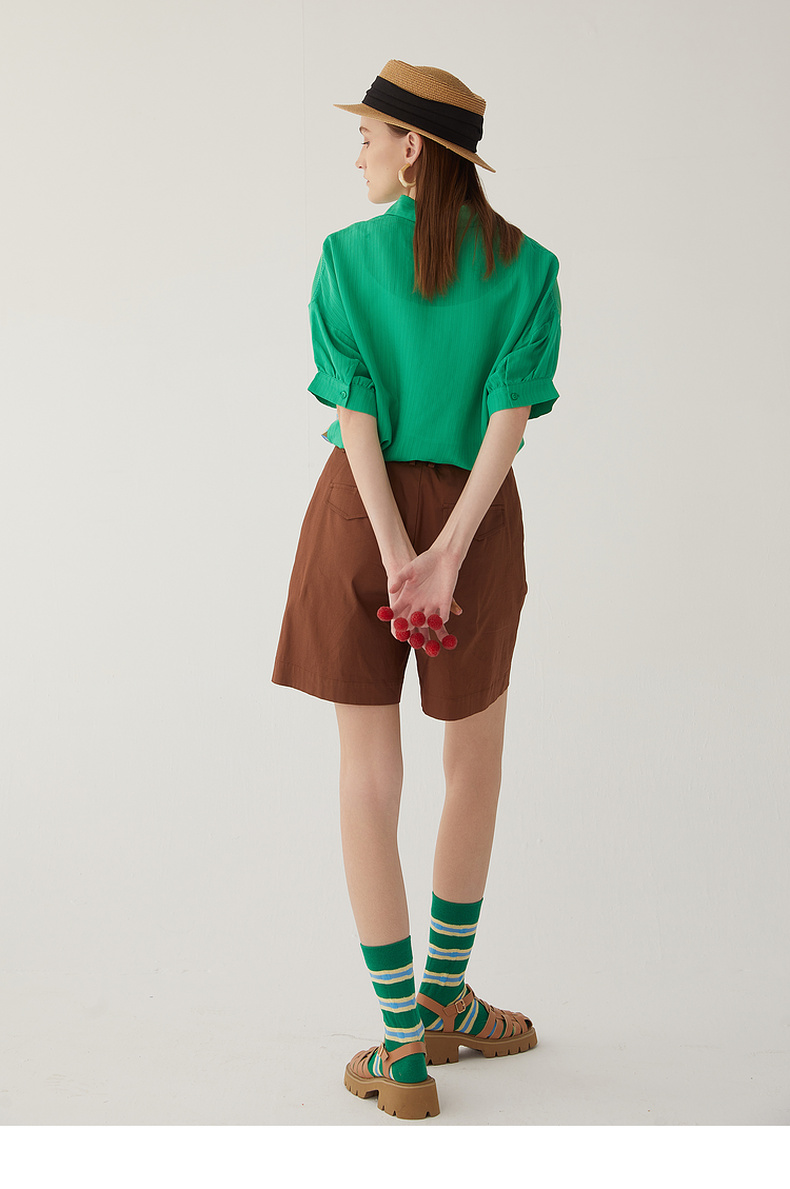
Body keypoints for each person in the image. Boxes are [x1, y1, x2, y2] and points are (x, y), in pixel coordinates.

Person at [272, 59, 562, 1120]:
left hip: (359, 519)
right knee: (471, 761)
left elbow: (354, 413)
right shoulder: (529, 267)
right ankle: (444, 999)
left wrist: (398, 547)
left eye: (368, 136)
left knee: (367, 772)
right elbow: (506, 422)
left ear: (413, 149)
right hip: (474, 529)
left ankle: (401, 1046)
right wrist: (445, 553)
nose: (357, 153)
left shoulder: (344, 259)